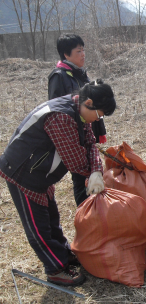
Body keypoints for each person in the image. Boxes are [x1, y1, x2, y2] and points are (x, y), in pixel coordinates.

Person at [0, 80, 116, 286]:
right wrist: (93, 171)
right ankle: (55, 268)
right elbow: (76, 160)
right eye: (99, 114)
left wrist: (97, 170)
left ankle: (63, 252)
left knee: (52, 216)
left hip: (41, 171)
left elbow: (90, 144)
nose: (97, 119)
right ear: (88, 102)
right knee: (38, 225)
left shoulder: (78, 110)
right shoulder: (61, 117)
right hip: (23, 172)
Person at [48, 33, 108, 206]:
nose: (83, 54)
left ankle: (94, 208)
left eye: (83, 50)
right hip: (72, 134)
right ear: (66, 54)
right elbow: (57, 110)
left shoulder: (80, 74)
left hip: (86, 131)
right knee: (81, 175)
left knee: (90, 169)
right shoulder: (59, 76)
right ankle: (85, 210)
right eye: (78, 51)